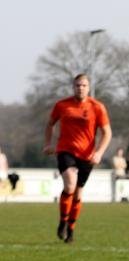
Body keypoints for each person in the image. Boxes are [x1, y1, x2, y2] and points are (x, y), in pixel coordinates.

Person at [43, 74, 112, 243]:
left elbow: (107, 133)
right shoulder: (62, 105)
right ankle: (62, 221)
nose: (80, 88)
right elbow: (50, 124)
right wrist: (48, 144)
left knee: (78, 193)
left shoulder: (97, 107)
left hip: (87, 155)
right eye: (77, 85)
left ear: (88, 88)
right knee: (70, 184)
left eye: (84, 85)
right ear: (73, 87)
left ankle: (71, 229)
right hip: (65, 151)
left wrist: (99, 153)